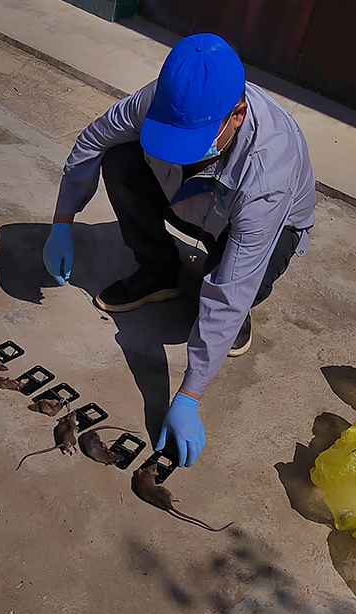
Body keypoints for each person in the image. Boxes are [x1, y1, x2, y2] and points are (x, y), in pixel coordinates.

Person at [43, 33, 315, 468]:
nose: (184, 147)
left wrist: (189, 396)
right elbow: (92, 140)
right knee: (120, 160)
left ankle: (232, 311)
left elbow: (229, 288)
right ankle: (161, 271)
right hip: (189, 199)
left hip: (249, 226)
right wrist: (62, 221)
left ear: (237, 113)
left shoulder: (269, 173)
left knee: (233, 287)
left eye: (196, 138)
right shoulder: (160, 100)